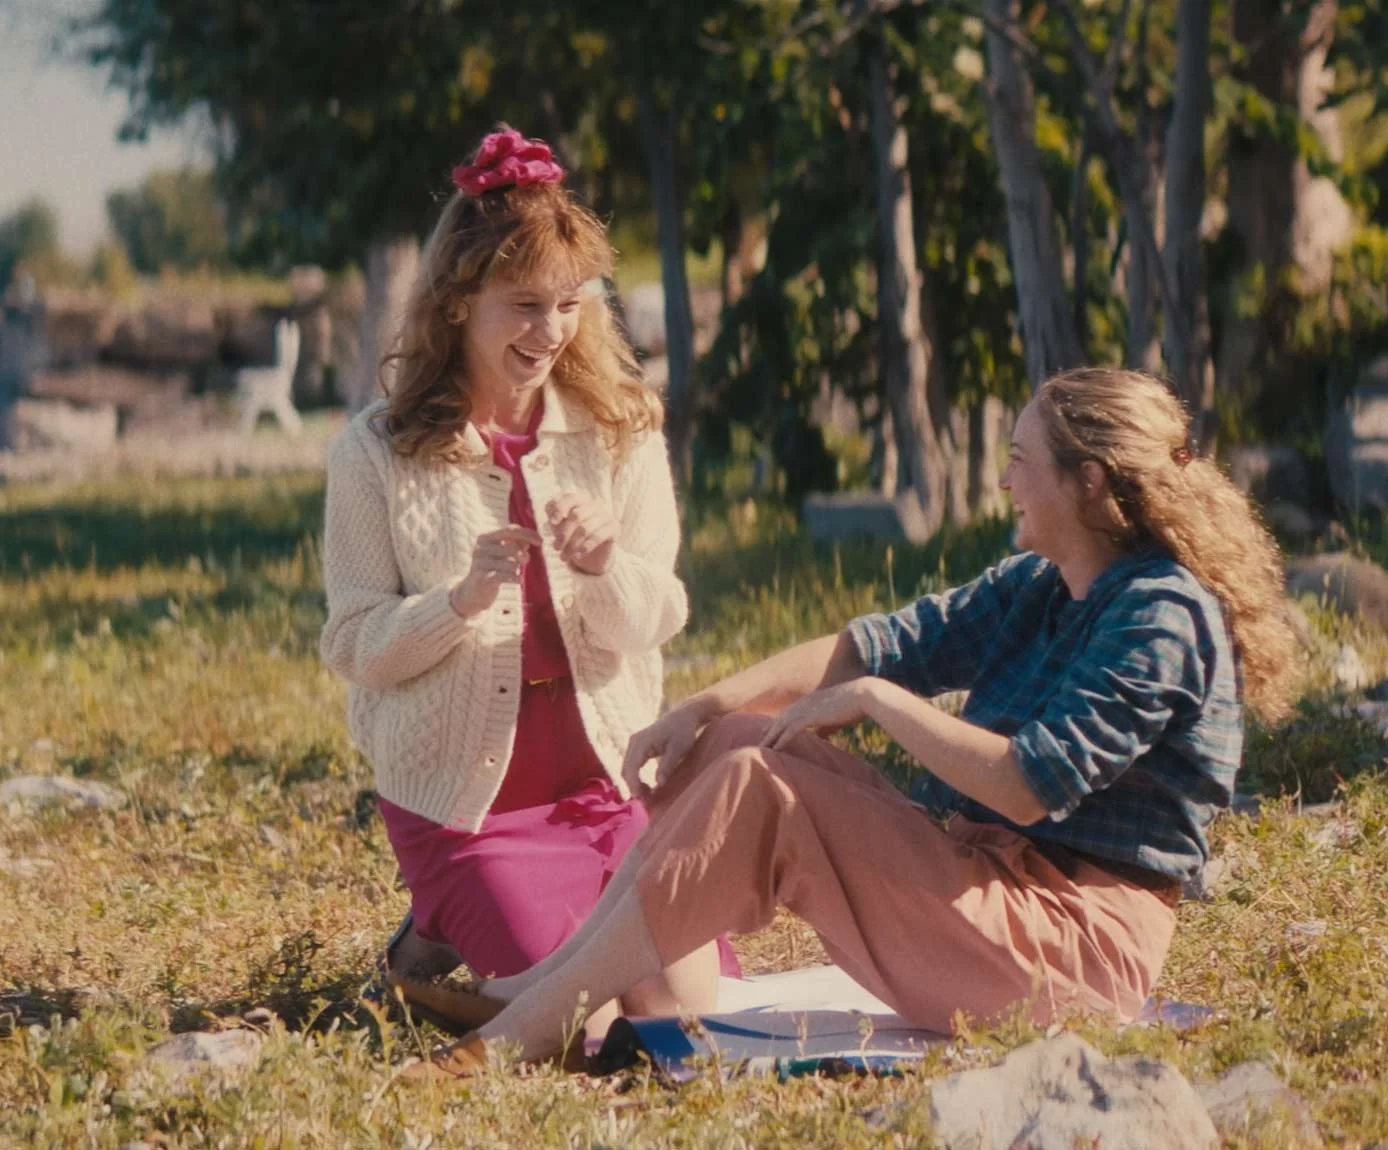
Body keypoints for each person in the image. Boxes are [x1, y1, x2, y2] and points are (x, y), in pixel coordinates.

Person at [397, 366, 1305, 1079]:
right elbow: (875, 644)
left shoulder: (1159, 615)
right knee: (739, 742)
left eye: (1021, 460)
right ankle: (574, 994)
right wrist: (703, 708)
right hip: (991, 891)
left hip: (1074, 952)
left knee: (766, 789)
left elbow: (1031, 785)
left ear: (1090, 482)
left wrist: (879, 707)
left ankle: (532, 1023)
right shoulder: (1045, 584)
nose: (1003, 479)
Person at [320, 126, 736, 1038]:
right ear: (460, 303)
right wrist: (455, 605)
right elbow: (353, 644)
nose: (550, 332)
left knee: (688, 1013)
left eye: (568, 303)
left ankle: (438, 965)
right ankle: (444, 928)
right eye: (524, 305)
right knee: (587, 1029)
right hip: (466, 809)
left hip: (611, 788)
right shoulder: (373, 452)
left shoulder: (622, 430)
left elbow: (658, 612)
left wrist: (602, 570)